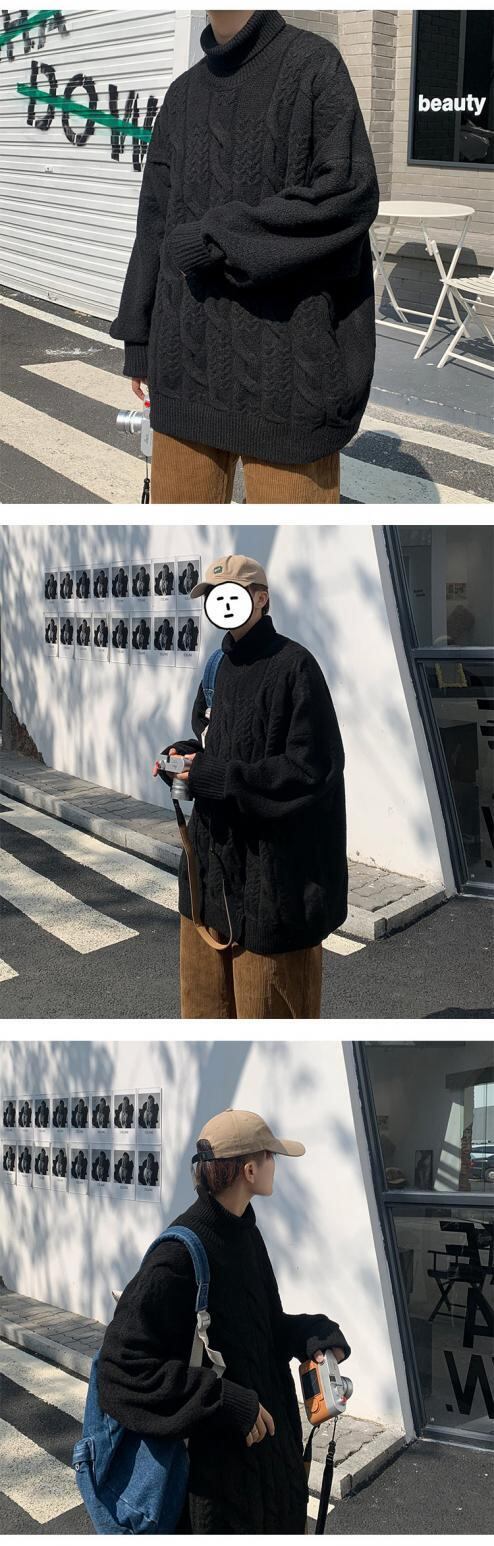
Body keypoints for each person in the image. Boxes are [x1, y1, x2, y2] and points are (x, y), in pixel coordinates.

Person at [110, 10, 379, 506]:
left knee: (296, 552)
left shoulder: (313, 64)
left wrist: (217, 240)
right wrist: (139, 336)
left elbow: (348, 195)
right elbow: (154, 222)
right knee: (182, 545)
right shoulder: (182, 94)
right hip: (184, 366)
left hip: (290, 376)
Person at [97, 1108, 350, 1534]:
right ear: (249, 1170)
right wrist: (222, 1400)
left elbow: (260, 1330)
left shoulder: (245, 1232)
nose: (275, 1165)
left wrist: (314, 1334)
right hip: (218, 1496)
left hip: (273, 1477)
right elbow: (120, 1371)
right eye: (271, 1156)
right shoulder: (177, 1256)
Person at [154, 553, 347, 1019]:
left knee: (271, 1021)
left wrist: (213, 775)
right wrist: (183, 758)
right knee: (203, 1014)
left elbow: (312, 771)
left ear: (261, 598)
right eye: (212, 597)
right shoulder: (217, 666)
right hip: (208, 877)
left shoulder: (295, 666)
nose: (221, 605)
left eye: (232, 595)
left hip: (272, 888)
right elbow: (211, 741)